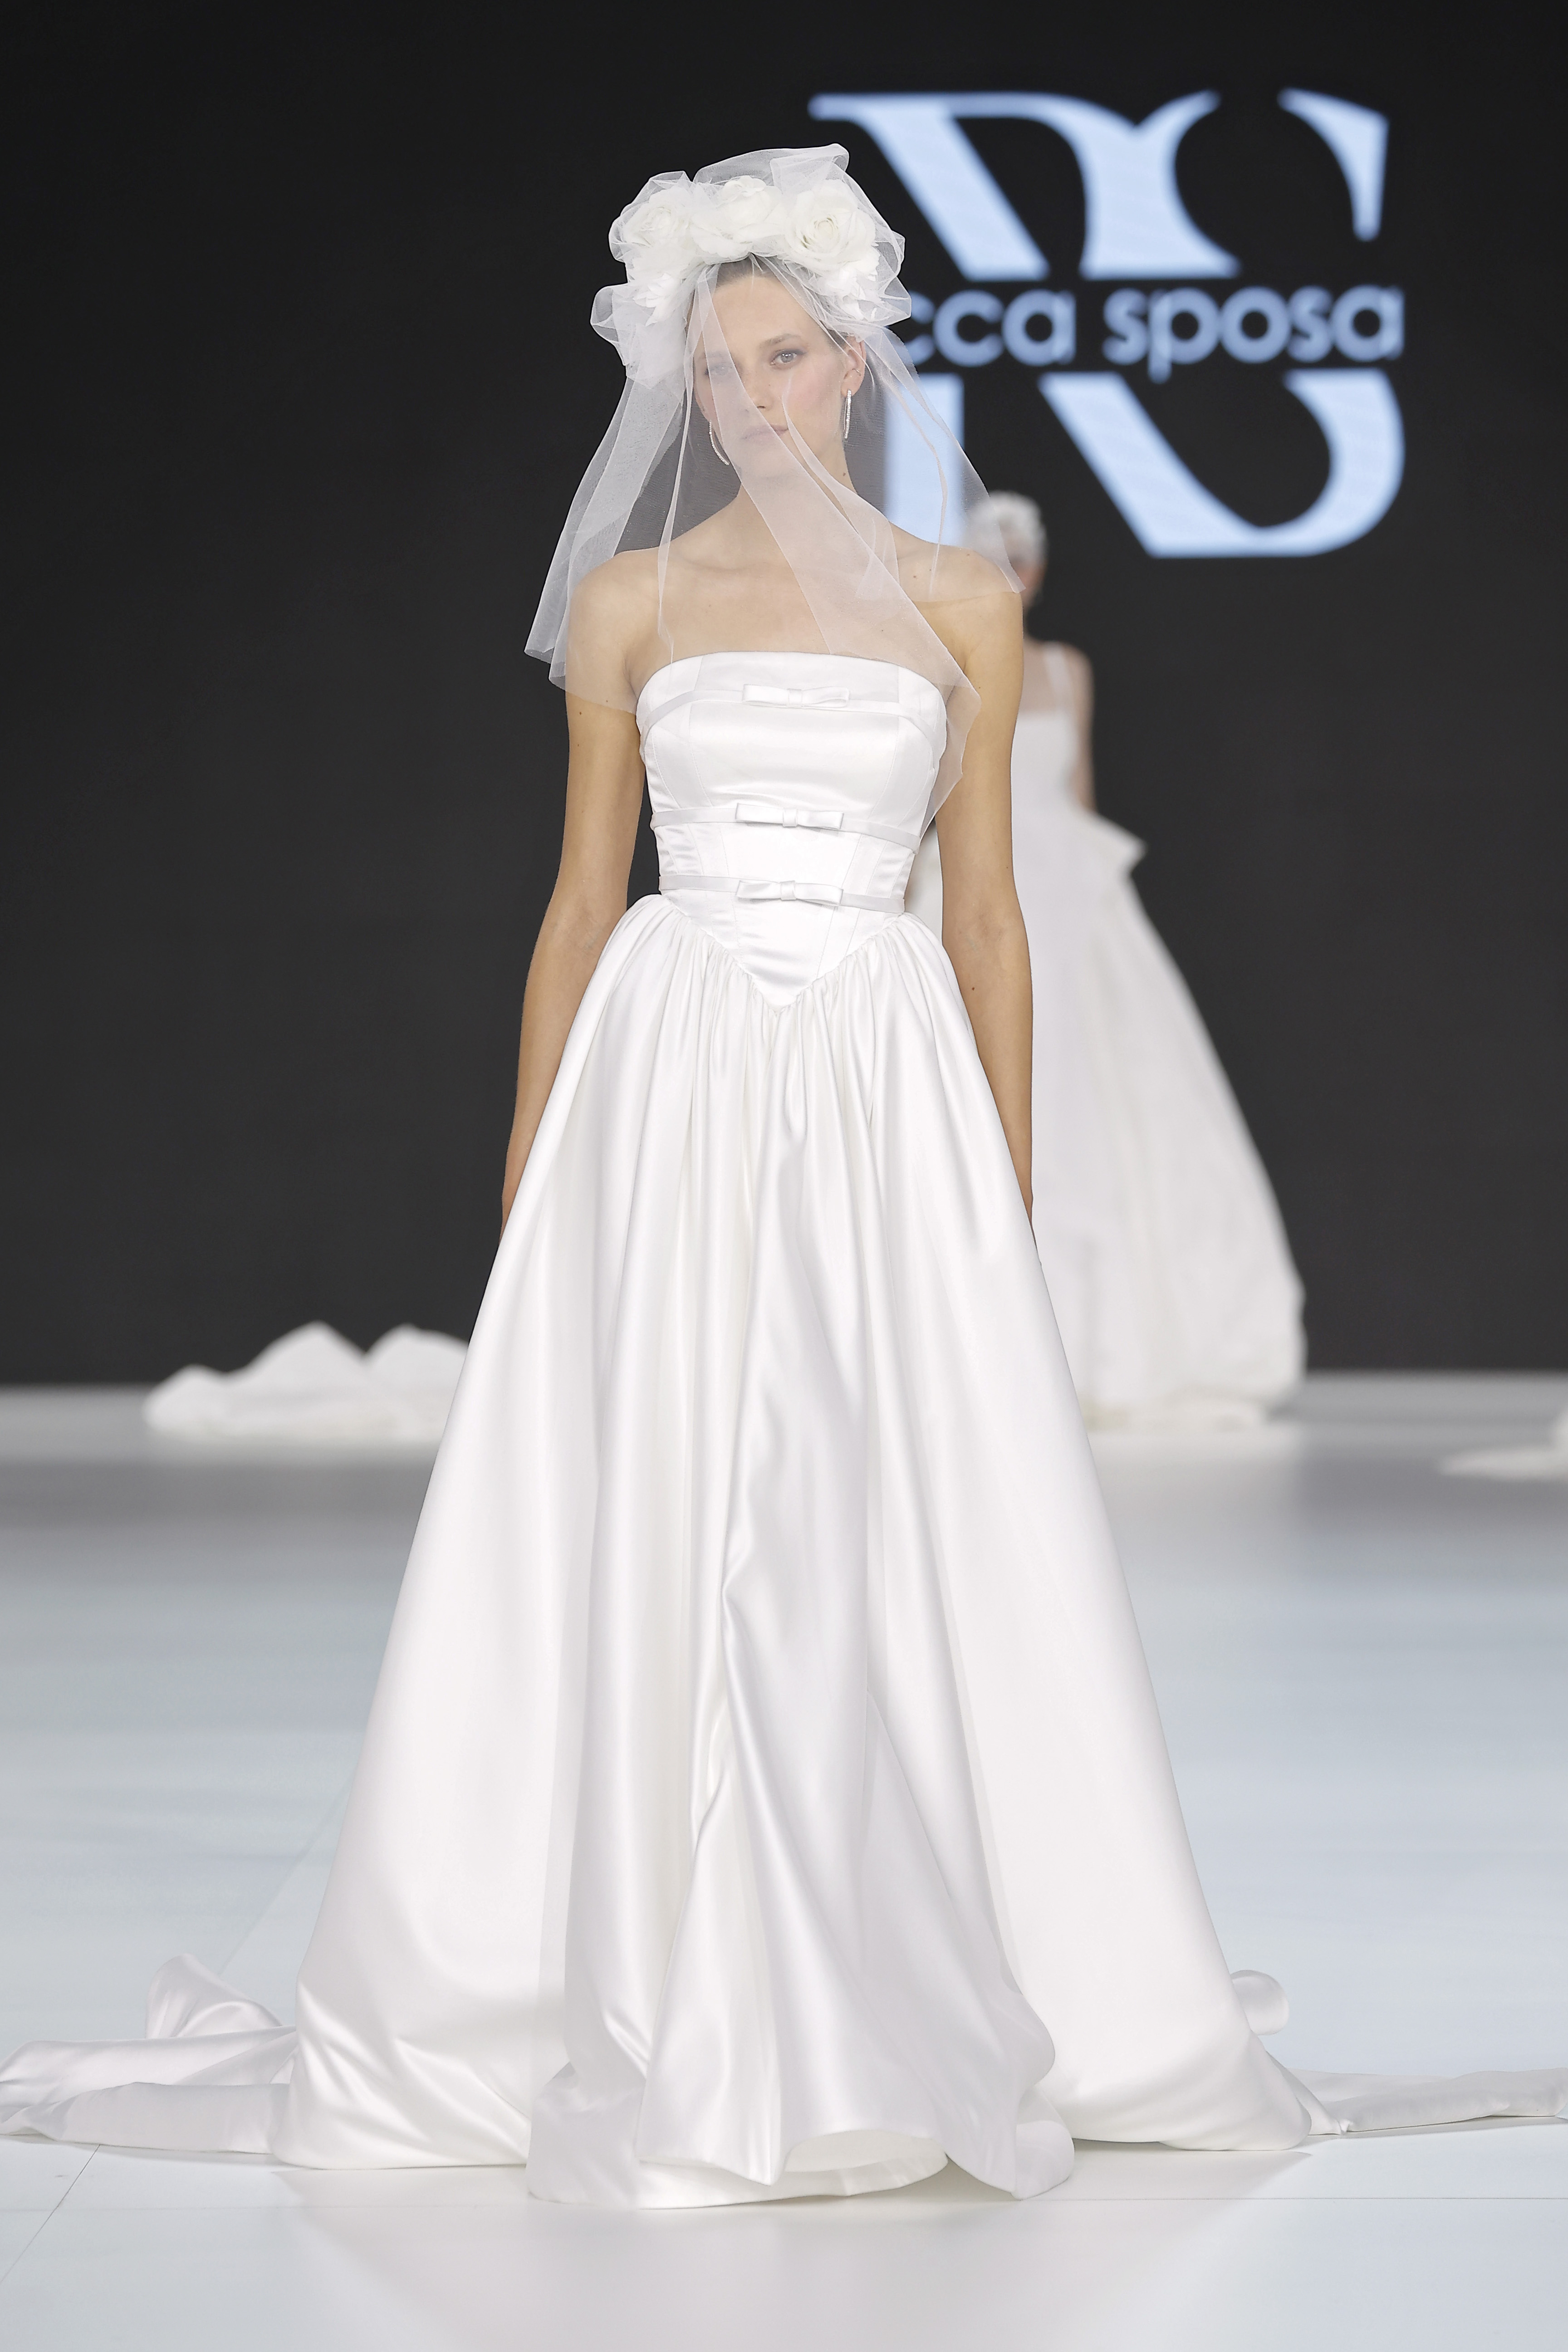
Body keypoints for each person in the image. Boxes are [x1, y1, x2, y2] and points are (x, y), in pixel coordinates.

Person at [3, 145, 1562, 2207]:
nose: (748, 397)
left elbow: (986, 917)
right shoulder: (630, 603)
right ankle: (647, 1958)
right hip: (671, 1065)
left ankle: (878, 1966)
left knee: (865, 1489)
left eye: (783, 358)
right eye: (716, 365)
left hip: (882, 1071)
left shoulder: (962, 602)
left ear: (855, 363)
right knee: (665, 1480)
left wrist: (999, 1196)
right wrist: (531, 1162)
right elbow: (579, 903)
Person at [906, 494, 1304, 1427]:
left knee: (1097, 1086)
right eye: (991, 559)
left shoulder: (1067, 670)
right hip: (970, 875)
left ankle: (1108, 1342)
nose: (1009, 575)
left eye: (1019, 560)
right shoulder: (939, 671)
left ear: (1039, 571)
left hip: (1070, 893)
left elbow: (1077, 789)